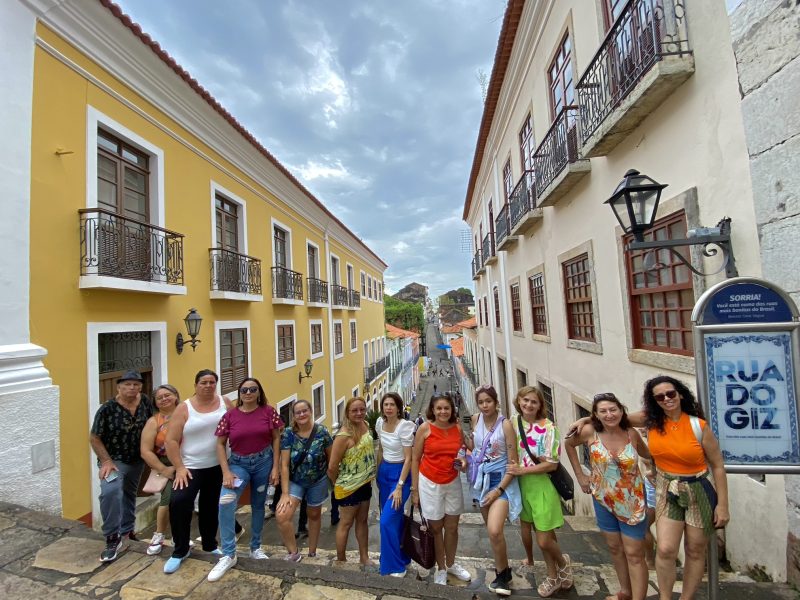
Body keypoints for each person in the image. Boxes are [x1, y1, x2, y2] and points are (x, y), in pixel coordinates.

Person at [569, 376, 730, 600]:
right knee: (665, 549)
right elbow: (612, 417)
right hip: (667, 488)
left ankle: (686, 598)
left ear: (680, 394)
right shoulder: (651, 420)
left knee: (694, 549)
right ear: (654, 401)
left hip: (698, 488)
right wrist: (586, 419)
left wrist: (723, 505)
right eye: (660, 397)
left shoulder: (697, 425)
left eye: (670, 394)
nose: (666, 399)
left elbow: (718, 466)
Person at [564, 393, 650, 600]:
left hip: (632, 501)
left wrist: (654, 470)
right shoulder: (589, 432)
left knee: (634, 554)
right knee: (614, 548)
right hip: (603, 499)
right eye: (603, 411)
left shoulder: (631, 434)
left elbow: (649, 455)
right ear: (595, 414)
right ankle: (625, 592)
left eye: (613, 409)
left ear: (621, 410)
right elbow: (568, 445)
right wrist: (580, 476)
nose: (609, 415)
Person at [207, 377, 283, 581]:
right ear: (239, 394)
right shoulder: (230, 415)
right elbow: (220, 444)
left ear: (259, 392)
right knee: (225, 502)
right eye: (244, 390)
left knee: (258, 506)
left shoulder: (268, 412)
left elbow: (277, 438)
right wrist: (226, 472)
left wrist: (275, 467)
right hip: (238, 464)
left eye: (252, 389)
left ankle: (255, 548)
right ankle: (228, 554)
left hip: (264, 462)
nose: (248, 393)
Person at [506, 386, 572, 597]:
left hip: (542, 486)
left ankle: (563, 564)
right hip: (522, 487)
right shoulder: (514, 422)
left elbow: (551, 464)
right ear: (519, 400)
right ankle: (553, 577)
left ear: (540, 405)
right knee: (544, 535)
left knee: (544, 539)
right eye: (525, 400)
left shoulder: (549, 428)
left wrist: (522, 470)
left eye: (534, 401)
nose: (529, 405)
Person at [163, 369, 227, 574]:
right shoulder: (184, 408)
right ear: (196, 385)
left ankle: (210, 545)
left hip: (217, 466)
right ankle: (180, 550)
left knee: (210, 507)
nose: (208, 386)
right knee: (179, 502)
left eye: (211, 382)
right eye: (203, 382)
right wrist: (179, 468)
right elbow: (171, 441)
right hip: (190, 467)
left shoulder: (225, 402)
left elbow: (237, 426)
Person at [90, 369, 153, 562]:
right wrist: (106, 461)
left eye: (136, 384)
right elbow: (94, 437)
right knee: (110, 492)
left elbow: (154, 424)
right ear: (119, 387)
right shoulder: (107, 409)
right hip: (114, 461)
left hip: (137, 460)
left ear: (141, 387)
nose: (132, 388)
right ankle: (112, 537)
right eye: (127, 384)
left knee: (129, 494)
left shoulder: (145, 402)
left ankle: (127, 531)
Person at [411, 394, 471, 586]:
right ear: (433, 410)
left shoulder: (457, 428)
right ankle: (441, 568)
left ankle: (451, 564)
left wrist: (463, 462)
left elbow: (464, 452)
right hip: (430, 483)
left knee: (452, 528)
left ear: (452, 409)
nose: (443, 412)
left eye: (446, 408)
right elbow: (415, 459)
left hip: (452, 482)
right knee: (436, 529)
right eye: (439, 408)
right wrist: (414, 491)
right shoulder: (425, 428)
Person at [469, 385, 521, 596]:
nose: (484, 406)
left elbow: (513, 462)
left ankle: (502, 577)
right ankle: (504, 570)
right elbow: (475, 449)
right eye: (481, 402)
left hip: (501, 481)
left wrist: (499, 490)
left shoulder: (505, 425)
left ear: (496, 402)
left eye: (488, 401)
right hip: (481, 481)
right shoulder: (475, 420)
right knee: (493, 534)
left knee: (494, 530)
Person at [276, 399, 333, 561]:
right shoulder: (288, 434)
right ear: (293, 416)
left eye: (304, 411)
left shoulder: (322, 432)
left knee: (314, 515)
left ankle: (312, 552)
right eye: (298, 412)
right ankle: (294, 553)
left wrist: (335, 483)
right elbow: (284, 465)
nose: (301, 414)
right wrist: (284, 493)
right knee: (282, 515)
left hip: (318, 480)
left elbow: (331, 459)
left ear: (310, 411)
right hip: (296, 481)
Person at [327, 397, 376, 565]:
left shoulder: (365, 425)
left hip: (365, 483)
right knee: (346, 523)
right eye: (354, 410)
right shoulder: (343, 435)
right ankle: (341, 559)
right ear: (347, 413)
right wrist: (337, 484)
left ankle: (364, 557)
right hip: (348, 487)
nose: (359, 413)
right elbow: (332, 466)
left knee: (362, 521)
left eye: (362, 409)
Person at [376, 392, 415, 577]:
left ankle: (395, 566)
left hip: (400, 475)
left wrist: (400, 486)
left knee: (386, 521)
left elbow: (409, 458)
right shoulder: (379, 423)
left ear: (399, 407)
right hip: (384, 473)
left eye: (392, 404)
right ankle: (401, 556)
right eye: (386, 404)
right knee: (395, 518)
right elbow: (381, 449)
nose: (389, 408)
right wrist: (377, 472)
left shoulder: (404, 427)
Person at [140, 384, 180, 555]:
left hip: (190, 462)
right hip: (168, 465)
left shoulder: (187, 414)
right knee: (168, 499)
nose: (164, 399)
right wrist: (163, 469)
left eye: (167, 395)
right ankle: (159, 535)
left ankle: (180, 536)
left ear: (176, 396)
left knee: (186, 501)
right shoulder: (154, 422)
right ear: (155, 402)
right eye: (159, 397)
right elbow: (145, 451)